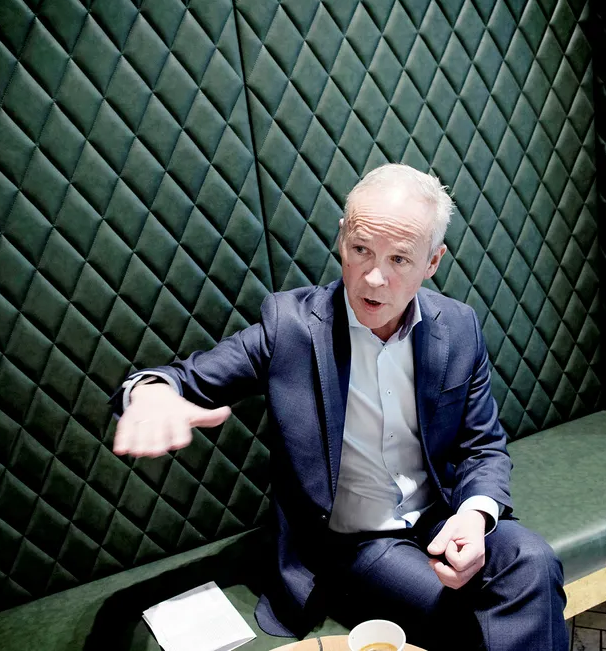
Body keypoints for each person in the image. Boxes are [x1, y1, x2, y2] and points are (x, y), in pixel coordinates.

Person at [111, 164, 568, 650]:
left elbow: (483, 447)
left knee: (534, 562)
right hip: (359, 540)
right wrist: (150, 393)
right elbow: (181, 379)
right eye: (361, 250)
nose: (374, 278)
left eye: (399, 259)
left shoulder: (458, 326)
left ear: (432, 262)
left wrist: (474, 516)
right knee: (466, 620)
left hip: (443, 513)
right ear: (342, 238)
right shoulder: (290, 328)